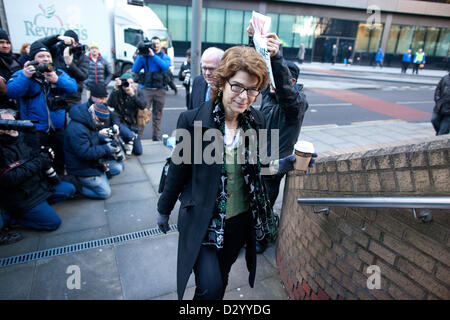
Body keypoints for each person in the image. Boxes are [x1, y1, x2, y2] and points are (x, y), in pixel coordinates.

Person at [157, 45, 300, 300]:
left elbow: (256, 169)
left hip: (239, 222)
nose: (244, 97)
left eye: (252, 89)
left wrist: (284, 164)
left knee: (221, 279)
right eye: (237, 86)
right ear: (222, 82)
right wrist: (164, 209)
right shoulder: (192, 121)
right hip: (204, 219)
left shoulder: (256, 120)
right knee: (209, 288)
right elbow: (178, 172)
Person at [247, 26, 313, 254]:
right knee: (248, 198)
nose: (270, 84)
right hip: (257, 157)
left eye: (276, 79)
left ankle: (260, 238)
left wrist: (278, 60)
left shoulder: (296, 104)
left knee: (264, 201)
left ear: (291, 79)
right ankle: (249, 232)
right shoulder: (269, 95)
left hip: (275, 165)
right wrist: (254, 40)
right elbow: (255, 70)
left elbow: (286, 91)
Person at [6, 38, 78, 175]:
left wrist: (57, 80)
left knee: (59, 159)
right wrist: (25, 76)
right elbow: (11, 92)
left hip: (57, 129)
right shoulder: (23, 74)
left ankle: (59, 182)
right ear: (33, 59)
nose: (45, 59)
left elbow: (73, 87)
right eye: (41, 56)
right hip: (35, 130)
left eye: (48, 56)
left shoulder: (58, 73)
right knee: (38, 161)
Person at [0, 109, 75, 231]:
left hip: (39, 187)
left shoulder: (22, 136)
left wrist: (44, 154)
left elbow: (36, 156)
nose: (12, 126)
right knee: (53, 223)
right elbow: (10, 178)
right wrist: (39, 161)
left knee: (69, 189)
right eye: (6, 123)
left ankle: (40, 209)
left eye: (13, 122)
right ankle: (12, 218)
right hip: (22, 197)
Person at [64, 83, 124, 199]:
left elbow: (92, 137)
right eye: (100, 122)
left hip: (92, 162)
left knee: (118, 167)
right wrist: (106, 148)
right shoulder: (77, 129)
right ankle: (76, 185)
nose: (102, 125)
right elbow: (85, 153)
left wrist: (103, 137)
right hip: (80, 167)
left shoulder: (89, 118)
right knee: (104, 193)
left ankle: (100, 177)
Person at [132, 36, 171, 140]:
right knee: (142, 113)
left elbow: (165, 67)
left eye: (157, 43)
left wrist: (153, 56)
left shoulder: (164, 56)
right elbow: (135, 69)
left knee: (157, 115)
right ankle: (138, 138)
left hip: (160, 90)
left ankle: (156, 137)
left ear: (160, 44)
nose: (155, 45)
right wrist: (140, 55)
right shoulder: (144, 57)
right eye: (153, 43)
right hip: (146, 90)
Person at [107, 73, 146, 155]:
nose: (129, 85)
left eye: (131, 82)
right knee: (129, 135)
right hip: (121, 123)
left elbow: (143, 105)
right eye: (127, 83)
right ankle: (126, 139)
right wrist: (115, 89)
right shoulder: (118, 92)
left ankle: (128, 140)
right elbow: (110, 104)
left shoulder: (137, 92)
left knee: (138, 152)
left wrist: (132, 95)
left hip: (133, 124)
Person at [0, 30, 22, 110]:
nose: (5, 45)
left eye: (8, 43)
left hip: (18, 108)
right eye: (1, 42)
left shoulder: (15, 62)